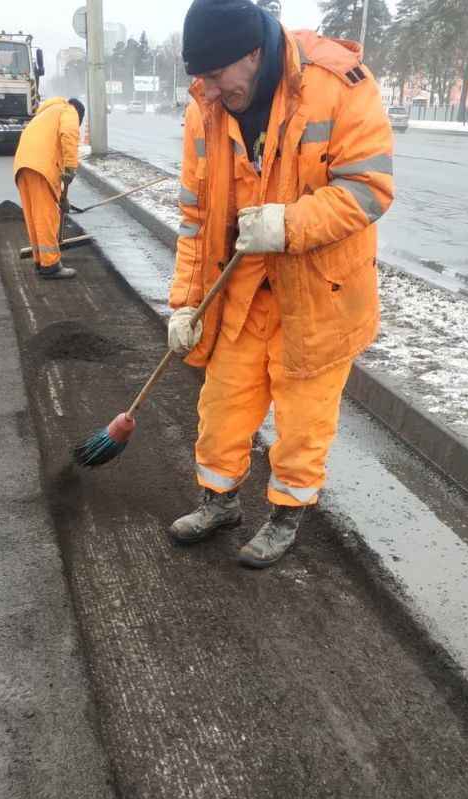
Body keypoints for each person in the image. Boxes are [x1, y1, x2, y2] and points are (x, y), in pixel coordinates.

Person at [167, 0, 394, 567]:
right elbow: (196, 218)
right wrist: (185, 306)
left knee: (302, 422)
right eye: (201, 78)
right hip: (242, 292)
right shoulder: (206, 107)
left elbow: (369, 189)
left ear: (253, 53)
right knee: (221, 407)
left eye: (217, 75)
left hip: (321, 297)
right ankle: (219, 501)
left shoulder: (336, 83)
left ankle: (286, 515)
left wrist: (289, 224)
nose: (209, 91)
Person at [13, 97, 85, 281]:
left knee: (34, 215)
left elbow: (49, 151)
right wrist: (70, 166)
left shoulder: (46, 114)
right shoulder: (68, 110)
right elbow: (69, 134)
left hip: (23, 165)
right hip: (40, 167)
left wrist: (62, 198)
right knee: (46, 216)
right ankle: (51, 265)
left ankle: (41, 260)